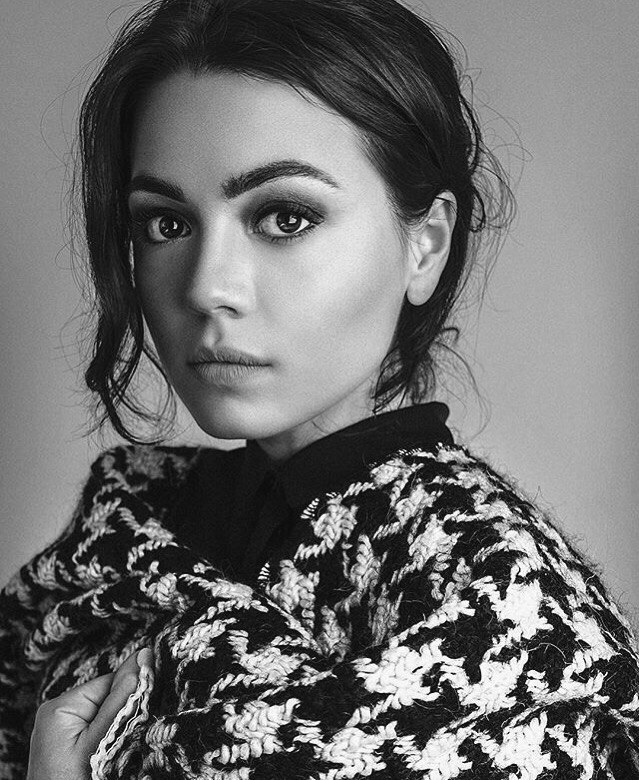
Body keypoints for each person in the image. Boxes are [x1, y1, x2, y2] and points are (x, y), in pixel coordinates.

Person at [1, 0, 638, 777]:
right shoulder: (124, 531)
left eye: (285, 217)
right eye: (166, 224)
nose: (207, 287)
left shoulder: (498, 598)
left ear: (424, 243)